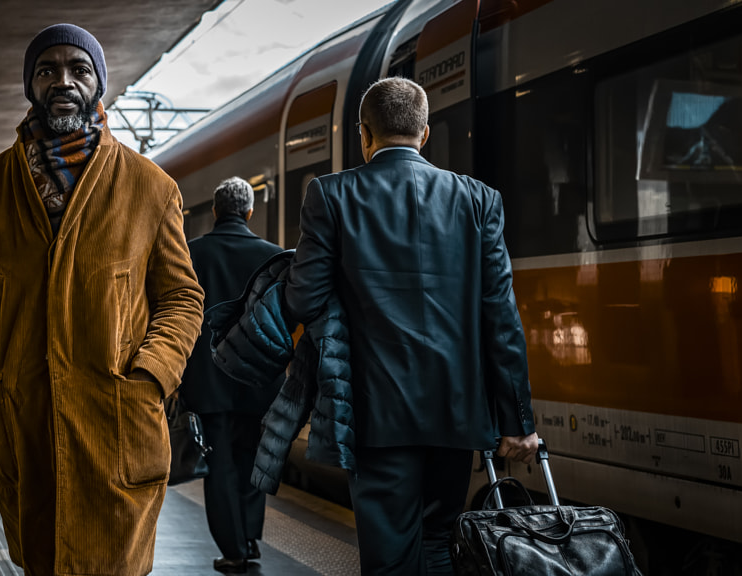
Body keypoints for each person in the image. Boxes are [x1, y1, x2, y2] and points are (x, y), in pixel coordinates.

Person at [0, 23, 204, 576]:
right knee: (41, 558)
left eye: (79, 69)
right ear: (31, 86)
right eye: (47, 69)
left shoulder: (151, 188)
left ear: (99, 85)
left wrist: (152, 375)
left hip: (118, 423)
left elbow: (181, 297)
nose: (63, 80)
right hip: (23, 421)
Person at [283, 77, 540, 575]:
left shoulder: (331, 195)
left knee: (388, 555)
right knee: (440, 542)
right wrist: (518, 421)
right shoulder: (480, 200)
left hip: (375, 412)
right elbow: (501, 316)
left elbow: (304, 298)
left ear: (364, 134)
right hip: (457, 411)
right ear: (424, 133)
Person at [181, 177, 283, 574]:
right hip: (260, 380)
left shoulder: (193, 254)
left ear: (215, 211)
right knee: (254, 460)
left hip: (209, 383)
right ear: (250, 212)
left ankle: (233, 548)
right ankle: (251, 537)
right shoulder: (273, 256)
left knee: (219, 464)